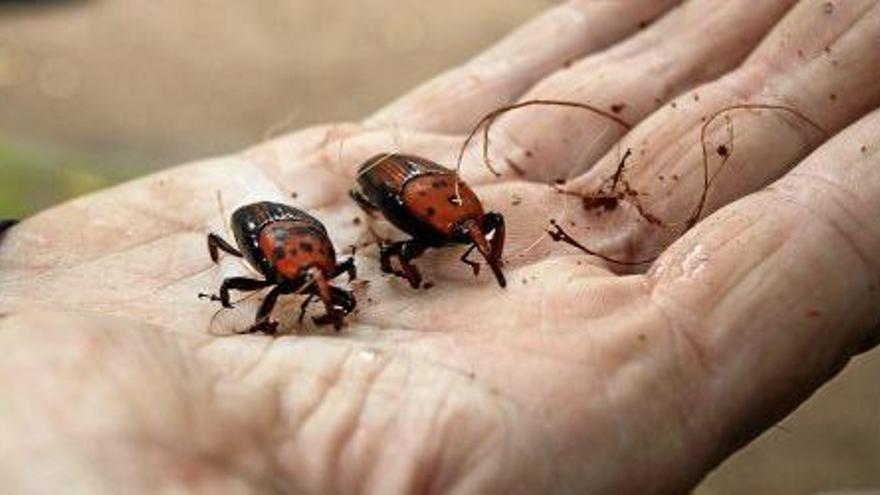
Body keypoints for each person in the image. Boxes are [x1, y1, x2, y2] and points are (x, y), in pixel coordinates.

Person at [1, 1, 878, 493]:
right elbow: (354, 246)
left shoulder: (446, 223)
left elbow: (429, 231)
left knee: (426, 232)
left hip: (376, 208)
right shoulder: (319, 257)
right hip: (335, 212)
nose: (326, 288)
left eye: (476, 238)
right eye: (317, 284)